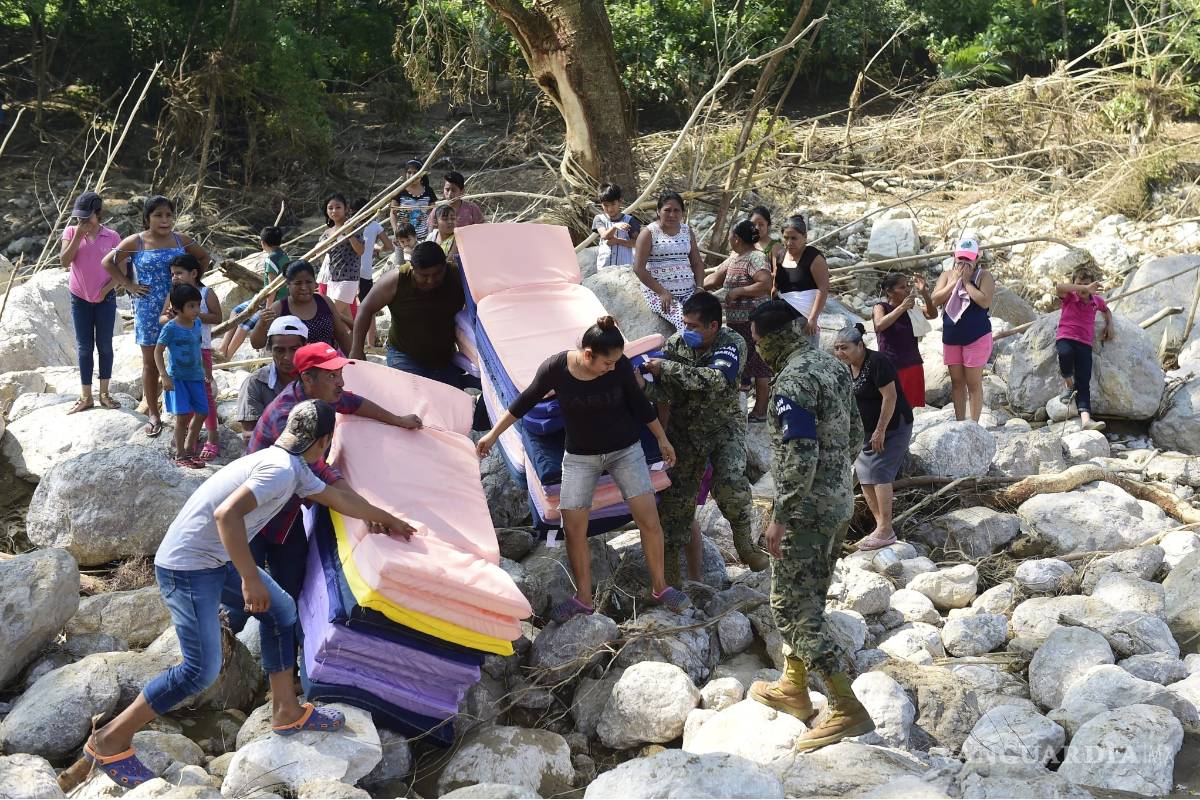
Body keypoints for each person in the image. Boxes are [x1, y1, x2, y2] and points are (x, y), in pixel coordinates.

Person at [81, 399, 414, 789]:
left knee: (282, 611)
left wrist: (389, 519)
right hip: (187, 568)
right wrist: (249, 579)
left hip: (210, 559)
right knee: (198, 671)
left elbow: (338, 497)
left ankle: (286, 710)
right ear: (325, 440)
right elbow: (227, 515)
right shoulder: (279, 471)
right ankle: (111, 739)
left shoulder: (292, 466)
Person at [476, 317, 690, 622]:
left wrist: (662, 438)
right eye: (607, 362)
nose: (613, 367)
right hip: (580, 457)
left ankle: (660, 587)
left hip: (625, 451)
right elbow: (524, 402)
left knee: (649, 519)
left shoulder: (619, 368)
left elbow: (641, 405)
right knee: (574, 528)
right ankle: (584, 598)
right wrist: (492, 434)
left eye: (617, 361)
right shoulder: (557, 368)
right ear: (588, 354)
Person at [746, 300, 875, 750]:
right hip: (838, 500)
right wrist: (836, 478)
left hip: (805, 512)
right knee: (810, 595)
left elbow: (800, 454)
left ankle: (845, 706)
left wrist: (781, 517)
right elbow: (857, 431)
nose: (758, 349)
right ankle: (794, 687)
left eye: (759, 341)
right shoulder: (831, 365)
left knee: (791, 607)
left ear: (771, 338)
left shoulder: (793, 381)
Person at [230, 343, 423, 620]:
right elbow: (321, 474)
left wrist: (397, 420)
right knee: (242, 600)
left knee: (289, 594)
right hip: (252, 516)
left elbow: (353, 403)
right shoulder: (289, 418)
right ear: (307, 378)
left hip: (285, 513)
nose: (340, 382)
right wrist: (368, 512)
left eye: (340, 373)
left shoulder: (321, 398)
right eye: (332, 376)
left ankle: (283, 648)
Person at [642, 292, 770, 578]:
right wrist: (642, 386)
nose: (687, 331)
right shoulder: (676, 345)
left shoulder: (732, 343)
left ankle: (745, 545)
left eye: (693, 326)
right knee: (675, 507)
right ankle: (672, 582)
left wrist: (668, 368)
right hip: (685, 433)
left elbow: (716, 379)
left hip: (724, 427)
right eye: (684, 324)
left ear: (713, 326)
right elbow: (666, 394)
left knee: (732, 485)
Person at [103, 195, 211, 438]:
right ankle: (153, 413)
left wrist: (193, 282)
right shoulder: (137, 242)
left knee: (184, 357)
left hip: (180, 308)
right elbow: (108, 262)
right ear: (147, 218)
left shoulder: (181, 240)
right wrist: (128, 285)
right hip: (148, 309)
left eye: (168, 215)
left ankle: (184, 412)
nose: (164, 220)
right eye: (158, 215)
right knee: (151, 361)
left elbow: (203, 257)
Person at [833, 323, 914, 551]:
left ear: (860, 345)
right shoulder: (846, 367)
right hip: (864, 430)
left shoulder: (877, 362)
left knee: (879, 472)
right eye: (837, 348)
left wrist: (880, 431)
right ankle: (881, 527)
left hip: (893, 426)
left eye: (845, 348)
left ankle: (886, 528)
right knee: (864, 474)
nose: (840, 353)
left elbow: (890, 397)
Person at [351, 242, 466, 387]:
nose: (431, 280)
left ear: (445, 267)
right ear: (413, 269)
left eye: (437, 274)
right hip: (405, 355)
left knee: (450, 404)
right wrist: (356, 349)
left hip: (445, 357)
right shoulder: (396, 280)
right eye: (424, 276)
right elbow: (366, 309)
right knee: (412, 402)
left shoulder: (457, 276)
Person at [703, 219, 773, 421]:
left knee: (759, 366)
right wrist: (696, 287)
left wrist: (738, 292)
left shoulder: (756, 257)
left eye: (730, 235)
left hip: (755, 322)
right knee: (742, 364)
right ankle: (740, 410)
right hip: (737, 323)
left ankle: (760, 411)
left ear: (736, 238)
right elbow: (715, 278)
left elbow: (765, 283)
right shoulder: (736, 257)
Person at [61, 191, 122, 414]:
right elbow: (64, 262)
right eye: (79, 217)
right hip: (79, 298)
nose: (83, 221)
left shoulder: (113, 237)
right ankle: (85, 396)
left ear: (99, 214)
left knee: (104, 344)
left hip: (106, 298)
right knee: (84, 347)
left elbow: (121, 271)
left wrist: (105, 291)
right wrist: (78, 235)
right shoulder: (70, 232)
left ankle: (104, 393)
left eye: (87, 217)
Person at [160, 254, 222, 461]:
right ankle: (186, 444)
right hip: (179, 356)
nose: (175, 277)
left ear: (194, 273)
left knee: (205, 397)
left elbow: (217, 317)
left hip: (201, 349)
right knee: (185, 405)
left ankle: (212, 437)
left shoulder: (205, 293)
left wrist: (192, 313)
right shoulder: (173, 296)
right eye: (172, 274)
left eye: (179, 273)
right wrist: (173, 316)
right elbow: (162, 318)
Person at [930, 238, 995, 422]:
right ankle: (960, 422)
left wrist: (966, 282)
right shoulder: (946, 275)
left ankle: (973, 424)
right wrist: (954, 282)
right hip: (951, 336)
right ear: (954, 256)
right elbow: (935, 299)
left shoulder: (984, 276)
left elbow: (984, 301)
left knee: (973, 383)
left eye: (968, 259)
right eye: (960, 259)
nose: (964, 263)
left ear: (976, 258)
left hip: (976, 336)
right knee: (957, 383)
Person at [632, 192, 705, 331]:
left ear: (682, 213)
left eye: (676, 210)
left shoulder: (686, 231)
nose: (672, 214)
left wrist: (699, 288)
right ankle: (684, 352)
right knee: (687, 325)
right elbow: (638, 268)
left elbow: (697, 263)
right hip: (660, 295)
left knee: (706, 320)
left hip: (689, 292)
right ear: (658, 211)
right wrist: (662, 292)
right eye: (667, 210)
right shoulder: (649, 233)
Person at [154, 284, 208, 468]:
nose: (196, 310)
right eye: (191, 306)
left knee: (202, 412)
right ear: (177, 309)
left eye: (197, 305)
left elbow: (197, 347)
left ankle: (190, 448)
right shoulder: (171, 328)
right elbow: (157, 351)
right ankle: (181, 454)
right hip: (178, 378)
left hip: (196, 376)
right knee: (182, 416)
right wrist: (164, 376)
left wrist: (206, 372)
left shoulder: (197, 323)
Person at [1055, 265, 1114, 431]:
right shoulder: (1069, 297)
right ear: (1074, 284)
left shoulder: (1096, 301)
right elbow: (1059, 287)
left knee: (1084, 379)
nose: (1084, 288)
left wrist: (1110, 324)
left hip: (1085, 343)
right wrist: (1083, 288)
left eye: (1088, 285)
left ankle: (1086, 420)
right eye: (1080, 284)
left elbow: (1106, 310)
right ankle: (1068, 384)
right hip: (1066, 337)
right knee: (1064, 354)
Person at [219, 226, 290, 361]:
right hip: (268, 298)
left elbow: (272, 288)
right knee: (236, 311)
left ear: (262, 243)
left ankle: (227, 355)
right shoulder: (284, 255)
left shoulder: (271, 260)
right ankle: (223, 348)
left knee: (244, 321)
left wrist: (268, 309)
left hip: (274, 301)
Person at [250, 260, 351, 354]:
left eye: (308, 282)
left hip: (328, 365)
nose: (304, 287)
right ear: (288, 285)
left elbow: (341, 334)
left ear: (315, 283)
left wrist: (355, 361)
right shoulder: (279, 308)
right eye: (298, 283)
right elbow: (257, 344)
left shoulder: (325, 302)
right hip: (294, 369)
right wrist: (261, 325)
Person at [236, 315, 308, 440]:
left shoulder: (316, 378)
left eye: (294, 349)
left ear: (305, 346)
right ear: (270, 349)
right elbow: (249, 435)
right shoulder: (255, 383)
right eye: (280, 351)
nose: (287, 357)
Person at [872, 273, 937, 410]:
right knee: (891, 408)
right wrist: (901, 307)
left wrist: (924, 292)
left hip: (913, 363)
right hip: (892, 366)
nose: (907, 290)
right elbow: (879, 325)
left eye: (908, 286)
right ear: (889, 291)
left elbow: (932, 314)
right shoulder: (881, 307)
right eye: (902, 287)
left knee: (910, 408)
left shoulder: (911, 309)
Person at [773, 215, 828, 346]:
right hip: (780, 318)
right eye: (786, 238)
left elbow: (823, 289)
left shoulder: (814, 257)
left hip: (805, 319)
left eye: (794, 238)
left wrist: (813, 319)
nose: (789, 242)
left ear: (804, 237)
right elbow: (775, 286)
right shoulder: (780, 255)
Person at [318, 193, 364, 328]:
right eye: (330, 208)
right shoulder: (327, 233)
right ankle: (351, 346)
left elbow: (360, 251)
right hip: (333, 279)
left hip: (349, 278)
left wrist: (349, 233)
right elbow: (321, 254)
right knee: (346, 321)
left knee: (331, 314)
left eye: (338, 207)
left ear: (346, 209)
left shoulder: (354, 227)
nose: (334, 211)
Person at [357, 201, 393, 349]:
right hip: (365, 272)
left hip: (348, 272)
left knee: (350, 308)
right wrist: (376, 248)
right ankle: (370, 343)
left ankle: (352, 341)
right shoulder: (374, 225)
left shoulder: (350, 226)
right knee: (368, 308)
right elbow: (389, 246)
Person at [592, 184, 640, 269]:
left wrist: (618, 241)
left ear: (620, 201)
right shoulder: (599, 219)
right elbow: (605, 236)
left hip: (624, 268)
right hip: (604, 267)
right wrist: (615, 227)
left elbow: (636, 243)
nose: (610, 209)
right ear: (601, 204)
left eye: (613, 204)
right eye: (606, 205)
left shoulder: (630, 220)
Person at [392, 159, 438, 240]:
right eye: (409, 172)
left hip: (423, 237)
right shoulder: (399, 191)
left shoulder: (428, 191)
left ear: (422, 174)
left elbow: (433, 213)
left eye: (415, 172)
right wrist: (396, 232)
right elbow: (393, 213)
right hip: (403, 237)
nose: (412, 175)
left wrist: (430, 233)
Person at [749, 205, 784, 271]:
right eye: (753, 224)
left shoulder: (776, 248)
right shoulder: (744, 242)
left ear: (768, 225)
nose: (757, 227)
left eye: (761, 224)